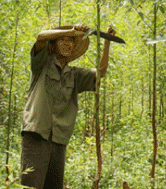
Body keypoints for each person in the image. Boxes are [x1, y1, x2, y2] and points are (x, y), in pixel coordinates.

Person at [20, 24, 116, 189]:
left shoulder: (75, 74)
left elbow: (101, 72)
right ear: (54, 44)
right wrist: (73, 31)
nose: (67, 43)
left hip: (59, 140)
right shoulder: (41, 64)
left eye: (71, 41)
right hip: (36, 135)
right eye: (62, 40)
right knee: (31, 186)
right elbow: (41, 36)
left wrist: (107, 43)